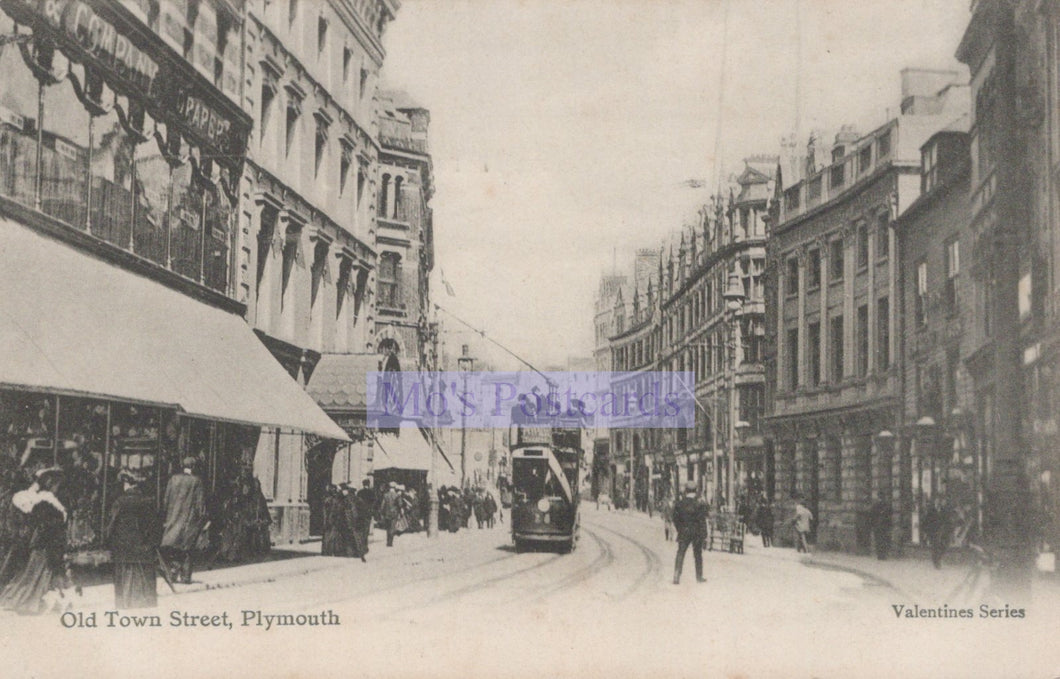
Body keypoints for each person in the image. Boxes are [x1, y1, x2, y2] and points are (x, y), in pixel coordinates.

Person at [0, 467, 68, 614]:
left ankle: (43, 603)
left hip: (43, 542)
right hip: (46, 543)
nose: (58, 488)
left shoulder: (40, 500)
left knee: (38, 574)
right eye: (57, 485)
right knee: (37, 574)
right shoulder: (46, 501)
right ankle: (25, 603)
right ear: (52, 484)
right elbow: (45, 524)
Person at [106, 469, 160, 609]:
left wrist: (109, 541)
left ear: (126, 483)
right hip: (143, 549)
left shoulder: (120, 501)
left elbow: (111, 524)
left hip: (123, 548)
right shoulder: (147, 501)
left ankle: (125, 604)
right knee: (143, 578)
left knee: (125, 579)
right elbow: (154, 527)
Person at [160, 457, 207, 584]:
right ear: (194, 467)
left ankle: (173, 572)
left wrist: (168, 517)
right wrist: (202, 519)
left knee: (173, 547)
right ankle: (185, 576)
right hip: (188, 520)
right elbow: (200, 504)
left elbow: (165, 501)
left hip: (173, 519)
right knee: (187, 549)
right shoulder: (196, 481)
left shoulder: (173, 479)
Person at [671, 480, 709, 585]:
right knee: (698, 554)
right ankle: (699, 576)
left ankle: (676, 574)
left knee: (680, 553)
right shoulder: (699, 503)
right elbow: (702, 520)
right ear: (696, 490)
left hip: (684, 531)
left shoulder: (680, 503)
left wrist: (680, 529)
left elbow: (675, 518)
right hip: (696, 532)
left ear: (686, 490)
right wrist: (704, 535)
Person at [923, 499, 953, 569]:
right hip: (933, 532)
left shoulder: (944, 511)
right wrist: (926, 532)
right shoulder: (931, 511)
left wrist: (950, 530)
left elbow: (948, 521)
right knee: (935, 548)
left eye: (940, 503)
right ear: (935, 503)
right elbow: (926, 521)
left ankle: (938, 559)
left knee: (945, 546)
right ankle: (936, 563)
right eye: (937, 503)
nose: (938, 504)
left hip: (943, 532)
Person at [321, 485, 343, 556]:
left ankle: (327, 551)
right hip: (332, 520)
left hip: (329, 520)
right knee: (332, 536)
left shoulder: (328, 500)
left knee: (328, 536)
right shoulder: (334, 500)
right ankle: (331, 551)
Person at [355, 480, 375, 555]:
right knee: (366, 531)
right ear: (368, 484)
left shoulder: (359, 492)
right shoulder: (371, 493)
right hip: (368, 514)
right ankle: (365, 547)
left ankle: (360, 546)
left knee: (360, 530)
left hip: (360, 513)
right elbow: (374, 503)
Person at [870, 495, 892, 560]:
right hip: (884, 526)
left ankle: (879, 555)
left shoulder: (875, 505)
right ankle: (883, 555)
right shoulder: (886, 505)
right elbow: (889, 515)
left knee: (878, 540)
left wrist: (872, 525)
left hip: (877, 526)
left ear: (878, 497)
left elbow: (871, 515)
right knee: (884, 540)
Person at [380, 482, 401, 547]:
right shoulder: (397, 495)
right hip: (394, 513)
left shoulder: (385, 495)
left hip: (387, 513)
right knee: (392, 527)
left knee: (388, 527)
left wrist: (382, 513)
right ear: (395, 488)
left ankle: (388, 541)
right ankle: (390, 542)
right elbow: (400, 504)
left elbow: (382, 505)